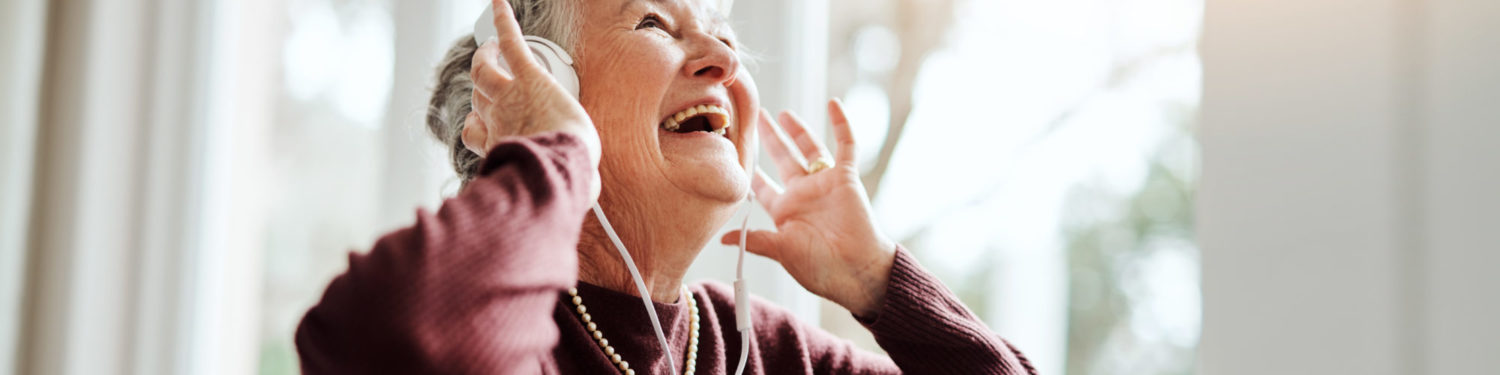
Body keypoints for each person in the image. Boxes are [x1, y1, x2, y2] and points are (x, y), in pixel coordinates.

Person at [294, 0, 1036, 373]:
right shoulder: (494, 323)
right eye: (655, 20)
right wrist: (547, 156)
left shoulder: (762, 352)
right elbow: (393, 339)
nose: (720, 54)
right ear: (540, 85)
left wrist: (882, 284)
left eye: (722, 33)